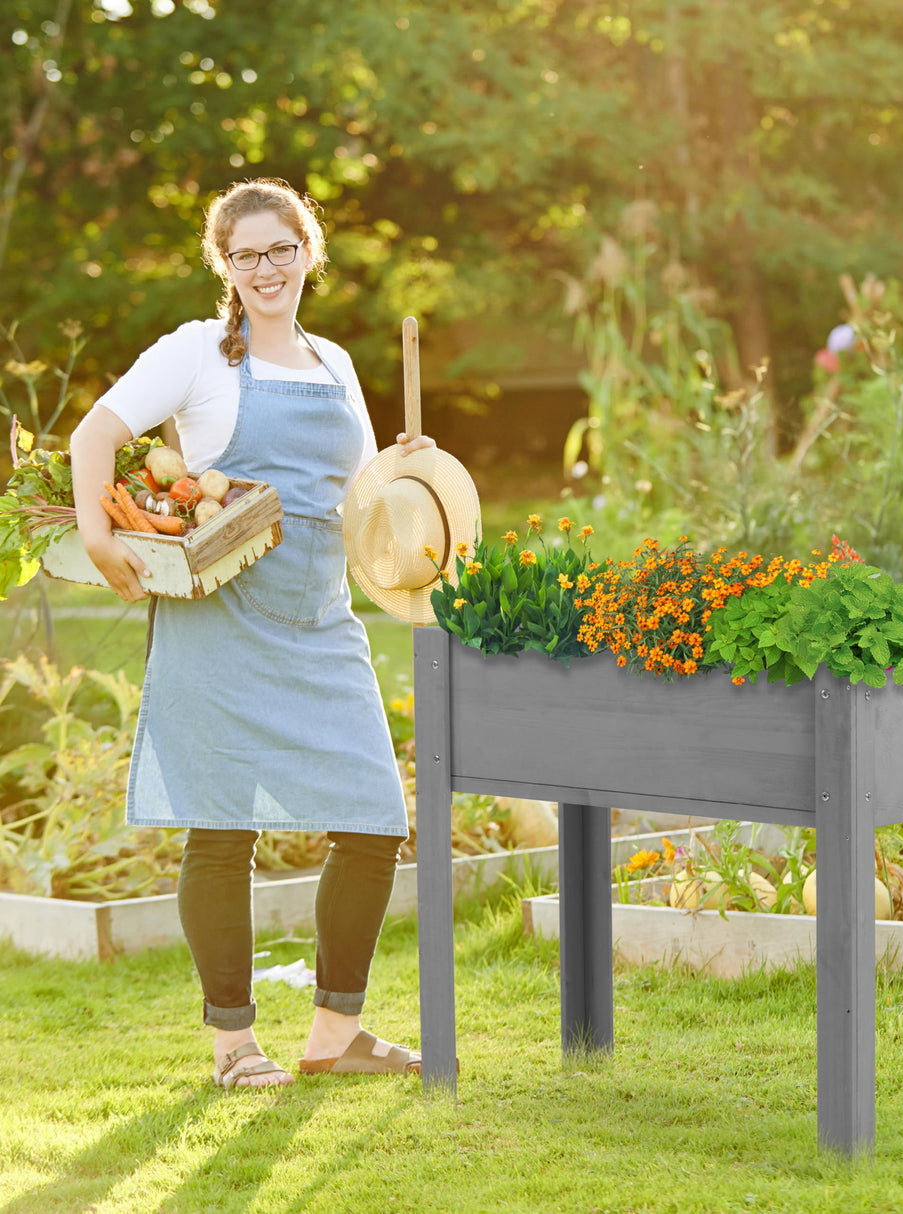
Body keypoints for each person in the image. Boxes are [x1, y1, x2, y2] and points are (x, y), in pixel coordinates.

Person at [70, 178, 432, 1089]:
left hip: (319, 619)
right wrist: (96, 531)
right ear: (224, 265)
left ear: (309, 251)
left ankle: (335, 1033)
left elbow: (349, 500)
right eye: (246, 255)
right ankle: (235, 1044)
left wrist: (402, 470)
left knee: (374, 818)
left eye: (282, 250)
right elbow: (94, 434)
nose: (266, 269)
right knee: (223, 831)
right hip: (220, 616)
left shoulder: (337, 363)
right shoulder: (197, 353)